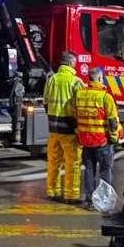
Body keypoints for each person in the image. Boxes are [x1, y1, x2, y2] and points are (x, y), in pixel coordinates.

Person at [75, 67, 120, 208]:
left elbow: (75, 114)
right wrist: (113, 138)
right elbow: (113, 121)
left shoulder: (79, 94)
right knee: (105, 171)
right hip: (102, 141)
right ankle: (103, 200)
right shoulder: (105, 97)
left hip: (86, 141)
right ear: (100, 79)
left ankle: (89, 200)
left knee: (89, 170)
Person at [43, 51, 84, 203]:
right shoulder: (76, 82)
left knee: (54, 161)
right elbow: (80, 107)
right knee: (72, 163)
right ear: (72, 64)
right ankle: (71, 195)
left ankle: (52, 191)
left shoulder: (51, 79)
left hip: (53, 129)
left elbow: (46, 102)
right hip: (69, 129)